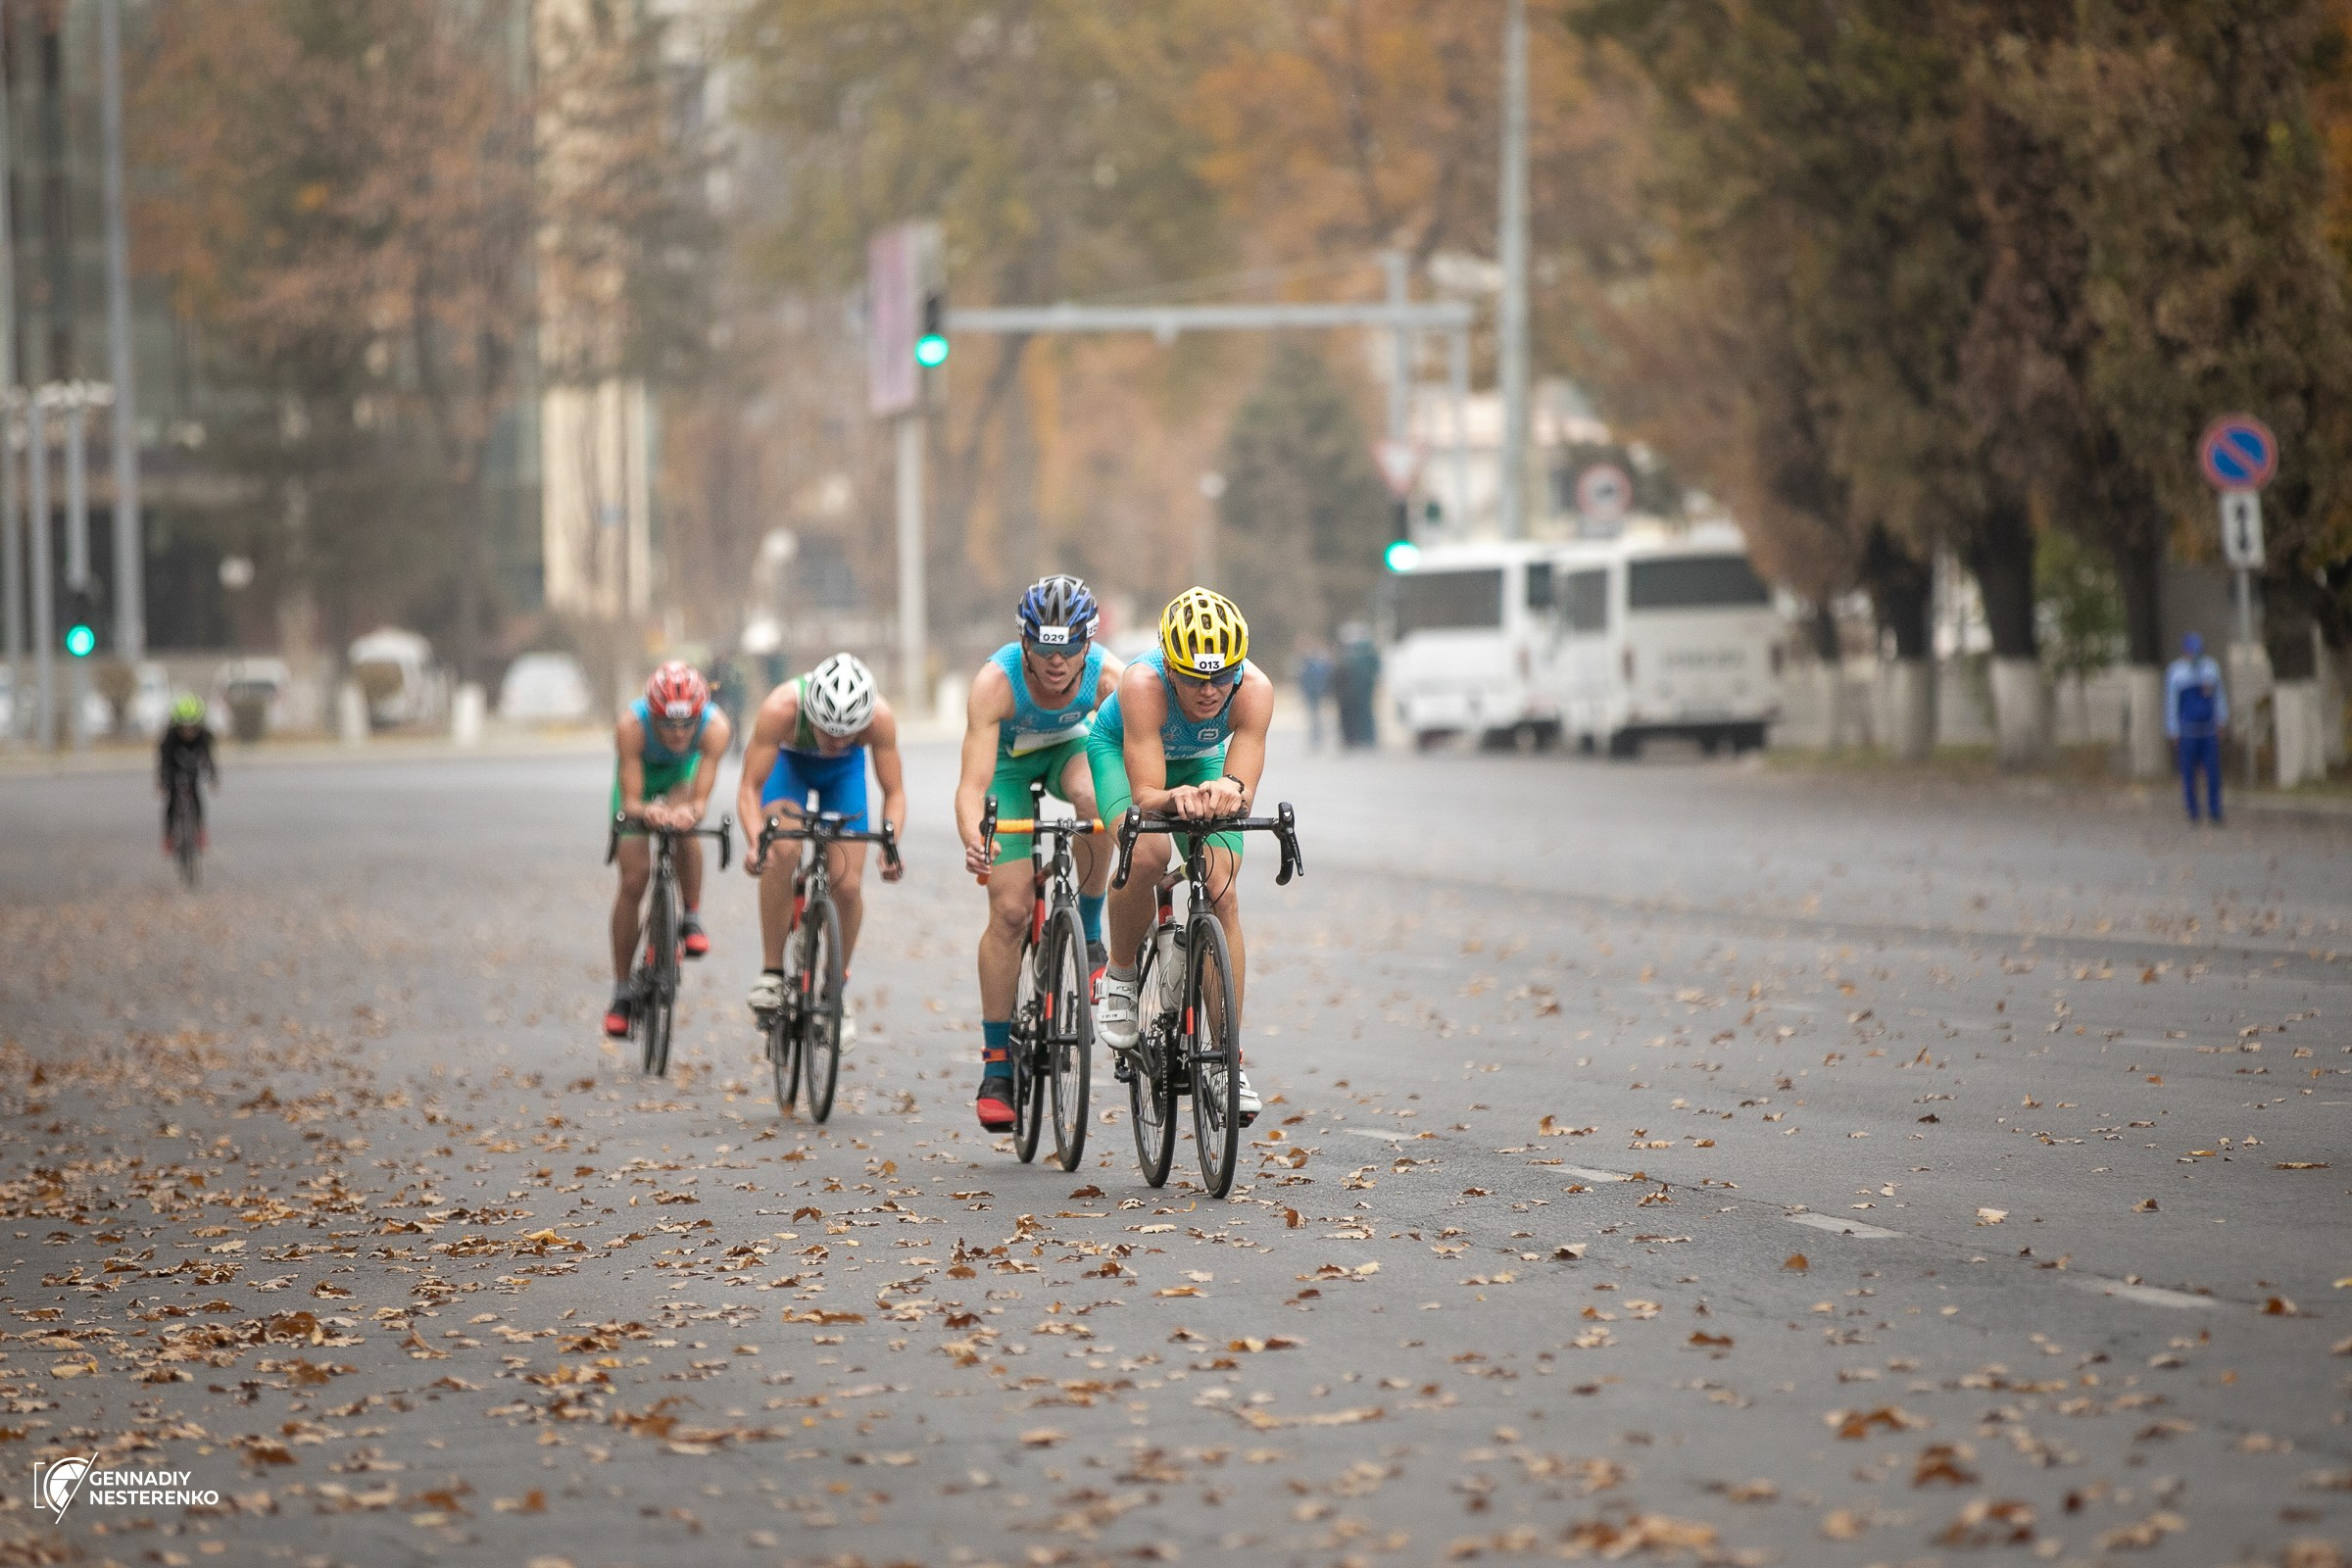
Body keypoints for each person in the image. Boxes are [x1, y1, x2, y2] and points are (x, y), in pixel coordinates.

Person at [1090, 587, 1275, 1126]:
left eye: (1222, 677)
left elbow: (1242, 785)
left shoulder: (1255, 691)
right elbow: (1148, 793)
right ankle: (1120, 976)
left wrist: (1228, 791)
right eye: (1195, 678)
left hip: (1199, 760)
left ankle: (1226, 1063)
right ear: (1170, 667)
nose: (1210, 690)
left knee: (1221, 889)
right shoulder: (1142, 685)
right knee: (1148, 853)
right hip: (1123, 752)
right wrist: (1175, 800)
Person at [955, 575, 1124, 1130]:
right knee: (1009, 911)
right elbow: (971, 786)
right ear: (1024, 641)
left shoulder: (1111, 677)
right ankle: (997, 1066)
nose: (1057, 661)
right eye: (1045, 647)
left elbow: (1136, 756)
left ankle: (1089, 932)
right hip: (1006, 768)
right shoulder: (994, 683)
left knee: (1097, 801)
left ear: (1088, 643)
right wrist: (975, 837)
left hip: (1070, 750)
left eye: (1070, 647)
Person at [738, 653, 907, 1031]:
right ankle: (772, 972)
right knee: (782, 849)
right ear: (811, 712)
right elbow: (749, 788)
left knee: (847, 886)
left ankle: (834, 990)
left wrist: (890, 845)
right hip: (789, 768)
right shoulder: (781, 708)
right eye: (828, 729)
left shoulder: (879, 718)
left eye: (848, 732)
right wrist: (754, 842)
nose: (838, 739)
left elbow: (894, 792)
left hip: (843, 776)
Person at [605, 662, 733, 1038]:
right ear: (653, 715)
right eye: (668, 724)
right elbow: (631, 800)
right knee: (634, 880)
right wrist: (646, 811)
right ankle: (622, 991)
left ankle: (691, 916)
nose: (678, 733)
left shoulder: (716, 728)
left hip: (680, 778)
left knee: (684, 824)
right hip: (640, 781)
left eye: (687, 724)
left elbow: (699, 802)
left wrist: (688, 812)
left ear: (699, 716)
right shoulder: (631, 726)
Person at [2165, 631, 2229, 825]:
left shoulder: (2211, 668)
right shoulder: (2176, 672)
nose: (2195, 656)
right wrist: (2173, 730)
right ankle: (2193, 811)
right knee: (2188, 774)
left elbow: (2219, 697)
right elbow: (2171, 703)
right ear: (2185, 651)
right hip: (2188, 733)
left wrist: (2222, 720)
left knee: (2213, 772)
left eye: (2198, 651)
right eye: (2191, 652)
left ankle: (2215, 810)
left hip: (2208, 731)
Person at [157, 695, 220, 856]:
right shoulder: (170, 738)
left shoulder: (204, 736)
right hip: (174, 767)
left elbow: (209, 759)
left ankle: (199, 831)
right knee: (171, 800)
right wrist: (162, 781)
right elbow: (163, 761)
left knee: (196, 796)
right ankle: (169, 835)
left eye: (192, 728)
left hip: (192, 768)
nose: (188, 732)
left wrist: (213, 778)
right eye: (184, 728)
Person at [1297, 640, 1335, 751]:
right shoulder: (1313, 664)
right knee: (1315, 718)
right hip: (1314, 693)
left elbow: (1310, 680)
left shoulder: (1311, 665)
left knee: (1315, 718)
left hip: (1314, 693)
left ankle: (1317, 739)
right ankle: (1317, 739)